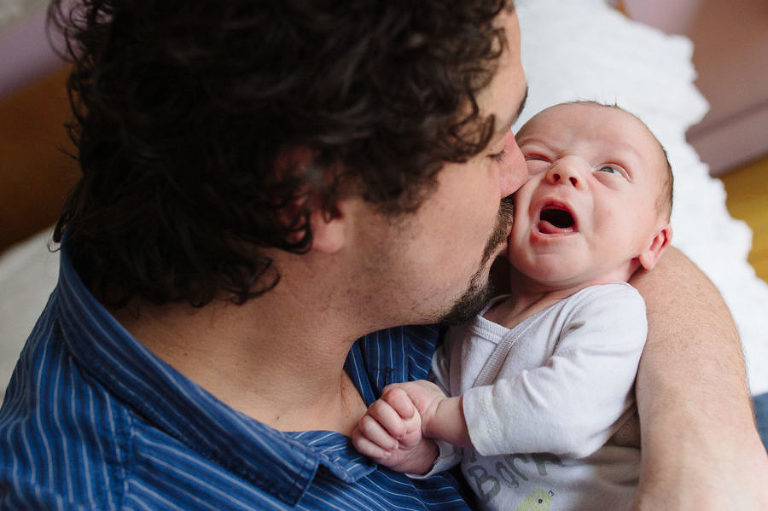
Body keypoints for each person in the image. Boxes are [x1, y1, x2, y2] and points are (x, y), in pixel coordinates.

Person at [0, 0, 765, 509]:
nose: (519, 172)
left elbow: (616, 247)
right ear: (312, 201)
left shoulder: (218, 200)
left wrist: (706, 446)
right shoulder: (110, 491)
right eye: (486, 142)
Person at [351, 101, 675, 510]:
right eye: (537, 158)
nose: (566, 170)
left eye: (610, 170)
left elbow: (565, 415)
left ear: (653, 243)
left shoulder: (610, 310)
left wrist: (436, 414)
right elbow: (464, 438)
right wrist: (421, 443)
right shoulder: (473, 316)